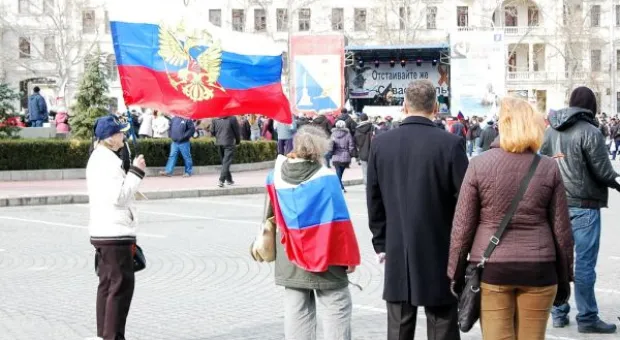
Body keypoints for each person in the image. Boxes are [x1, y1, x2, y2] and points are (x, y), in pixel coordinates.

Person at [448, 97, 575, 340]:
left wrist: (456, 273)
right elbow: (562, 231)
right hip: (540, 267)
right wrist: (565, 275)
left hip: (493, 267)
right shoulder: (548, 167)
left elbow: (462, 227)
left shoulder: (478, 165)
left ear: (501, 125)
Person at [367, 80, 468, 340]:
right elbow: (465, 202)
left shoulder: (381, 143)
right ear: (436, 107)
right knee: (442, 324)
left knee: (399, 325)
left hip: (398, 247)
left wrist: (381, 242)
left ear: (404, 106)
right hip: (441, 246)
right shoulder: (450, 144)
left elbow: (374, 199)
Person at [262, 125, 361, 340]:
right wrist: (349, 257)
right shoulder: (327, 178)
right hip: (326, 253)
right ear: (320, 149)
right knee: (337, 305)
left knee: (297, 309)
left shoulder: (274, 176)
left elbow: (268, 217)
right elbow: (340, 222)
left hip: (289, 254)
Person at [541, 86, 620, 334]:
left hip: (556, 206)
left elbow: (541, 164)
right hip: (584, 207)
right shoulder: (591, 131)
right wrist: (617, 182)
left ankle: (558, 313)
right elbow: (603, 171)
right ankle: (586, 317)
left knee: (559, 261)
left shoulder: (550, 130)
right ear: (591, 106)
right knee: (584, 265)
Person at [86, 115, 146, 340]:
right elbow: (118, 196)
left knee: (108, 286)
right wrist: (137, 172)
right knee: (119, 289)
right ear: (110, 138)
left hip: (106, 230)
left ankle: (104, 335)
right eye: (120, 133)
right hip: (114, 232)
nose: (124, 136)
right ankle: (112, 336)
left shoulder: (102, 157)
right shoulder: (105, 161)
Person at [212, 116, 241, 187]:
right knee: (226, 162)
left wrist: (219, 136)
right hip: (229, 142)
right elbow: (237, 131)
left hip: (219, 143)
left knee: (224, 162)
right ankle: (221, 180)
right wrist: (238, 141)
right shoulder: (232, 118)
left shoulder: (215, 118)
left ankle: (229, 180)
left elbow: (212, 132)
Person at [330, 120, 355, 192]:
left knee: (338, 172)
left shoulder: (333, 134)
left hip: (336, 155)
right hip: (345, 156)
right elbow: (351, 145)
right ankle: (341, 187)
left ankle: (339, 187)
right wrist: (350, 153)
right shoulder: (348, 134)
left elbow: (330, 144)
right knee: (340, 173)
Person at [354, 113, 373, 186]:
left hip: (362, 153)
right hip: (373, 152)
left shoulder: (357, 129)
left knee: (365, 170)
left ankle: (367, 186)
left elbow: (356, 143)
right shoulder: (372, 127)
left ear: (360, 119)